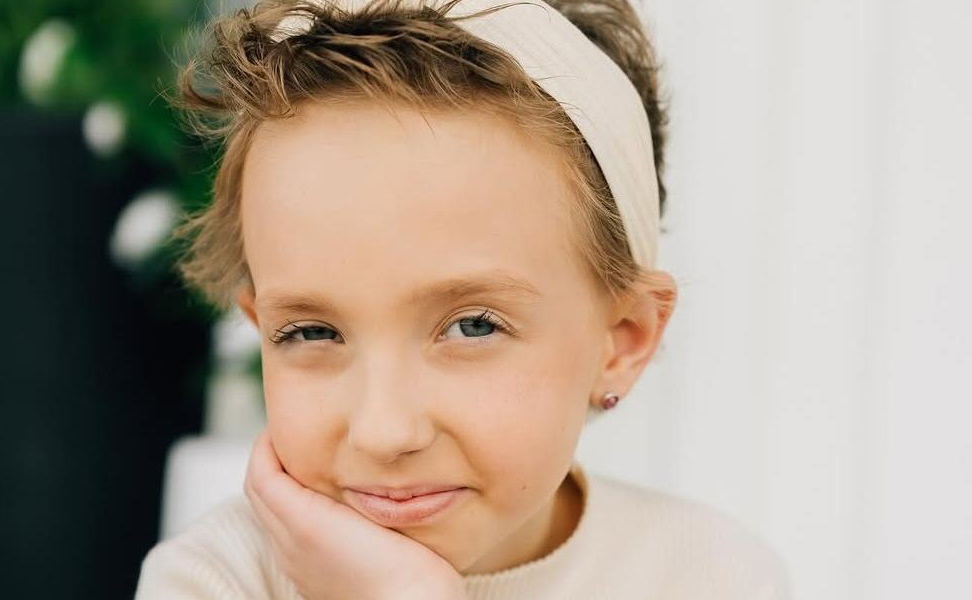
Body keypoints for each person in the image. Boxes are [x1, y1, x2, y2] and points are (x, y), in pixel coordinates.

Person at [135, 0, 791, 597]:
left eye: (473, 326)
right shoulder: (213, 582)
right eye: (311, 332)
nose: (385, 432)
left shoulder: (715, 577)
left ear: (621, 341)